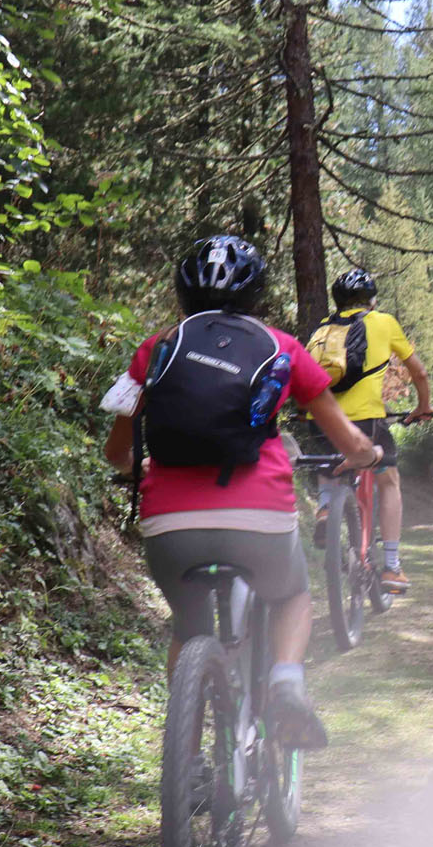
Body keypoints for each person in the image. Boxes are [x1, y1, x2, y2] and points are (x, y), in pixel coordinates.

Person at [101, 236, 382, 749]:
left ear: (183, 292)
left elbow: (117, 452)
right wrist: (367, 455)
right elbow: (348, 440)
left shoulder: (156, 348)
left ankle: (186, 750)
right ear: (257, 294)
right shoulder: (281, 347)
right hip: (260, 518)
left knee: (188, 628)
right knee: (292, 594)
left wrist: (136, 465)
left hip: (169, 524)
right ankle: (286, 684)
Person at [308, 267, 432, 592]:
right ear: (371, 301)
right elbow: (419, 373)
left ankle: (325, 507)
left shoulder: (323, 328)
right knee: (389, 480)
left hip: (319, 420)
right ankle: (391, 567)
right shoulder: (384, 322)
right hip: (365, 423)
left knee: (329, 456)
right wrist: (423, 407)